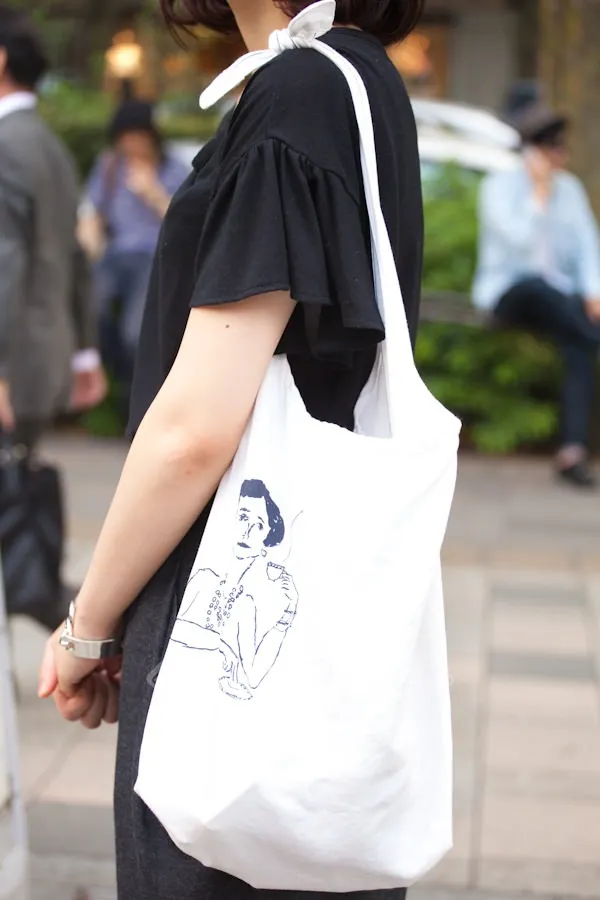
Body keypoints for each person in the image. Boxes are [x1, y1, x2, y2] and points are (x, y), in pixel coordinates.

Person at [38, 1, 425, 897]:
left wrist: (89, 620)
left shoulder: (298, 92)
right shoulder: (361, 79)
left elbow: (195, 429)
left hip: (229, 585)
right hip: (316, 592)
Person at [0, 4, 106, 625]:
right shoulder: (48, 144)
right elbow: (72, 258)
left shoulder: (5, 145)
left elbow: (5, 270)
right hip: (42, 360)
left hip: (11, 368)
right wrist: (84, 351)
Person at [473, 104, 600, 489]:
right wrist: (538, 194)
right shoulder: (499, 188)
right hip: (510, 294)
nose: (560, 158)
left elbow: (587, 246)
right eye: (552, 150)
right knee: (539, 288)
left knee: (579, 345)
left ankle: (572, 452)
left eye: (562, 149)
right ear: (532, 152)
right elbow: (519, 245)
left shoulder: (570, 189)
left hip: (558, 302)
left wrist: (593, 294)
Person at [78, 100, 188, 401]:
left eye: (137, 137)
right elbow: (92, 210)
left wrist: (153, 192)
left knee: (134, 333)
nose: (130, 145)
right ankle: (122, 380)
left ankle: (136, 396)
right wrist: (88, 234)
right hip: (116, 255)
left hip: (153, 257)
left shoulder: (174, 168)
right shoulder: (110, 165)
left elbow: (184, 223)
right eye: (124, 138)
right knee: (89, 312)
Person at [172, 479, 299, 700]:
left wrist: (286, 616)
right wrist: (221, 645)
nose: (247, 531)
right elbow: (174, 633)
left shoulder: (245, 606)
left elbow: (253, 677)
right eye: (243, 517)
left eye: (259, 525)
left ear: (267, 538)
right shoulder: (203, 580)